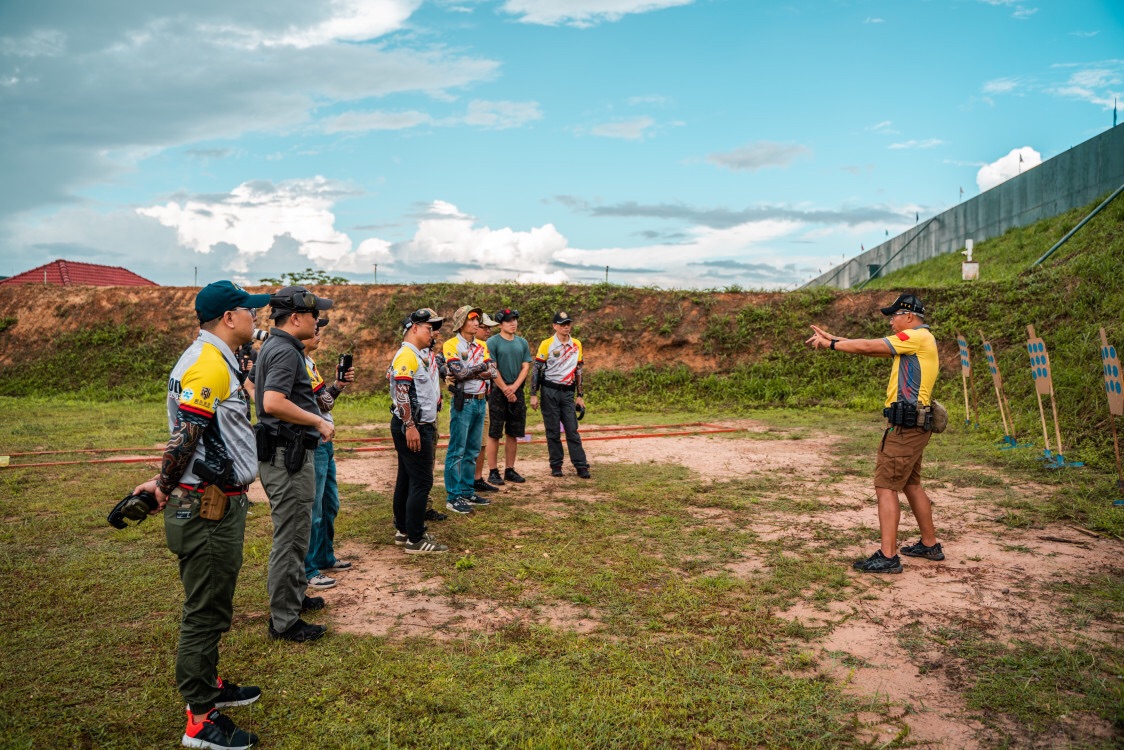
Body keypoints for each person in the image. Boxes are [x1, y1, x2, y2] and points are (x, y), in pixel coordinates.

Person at [132, 280, 270, 750]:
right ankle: (199, 719)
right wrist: (163, 484)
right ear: (229, 318)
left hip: (214, 499)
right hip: (206, 505)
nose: (256, 317)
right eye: (248, 310)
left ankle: (208, 689)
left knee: (213, 603)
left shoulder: (210, 358)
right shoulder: (209, 364)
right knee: (205, 612)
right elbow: (186, 434)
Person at [806, 293, 943, 574]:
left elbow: (870, 347)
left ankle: (888, 556)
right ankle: (929, 545)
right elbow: (874, 347)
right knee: (910, 484)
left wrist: (831, 345)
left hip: (905, 427)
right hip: (914, 425)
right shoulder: (917, 341)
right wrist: (835, 339)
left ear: (909, 316)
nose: (891, 322)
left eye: (894, 316)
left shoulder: (917, 337)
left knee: (885, 487)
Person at [255, 285, 335, 641]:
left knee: (298, 532)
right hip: (288, 457)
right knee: (290, 538)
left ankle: (295, 597)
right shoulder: (286, 352)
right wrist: (318, 421)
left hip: (286, 453)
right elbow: (272, 402)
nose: (318, 322)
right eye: (314, 315)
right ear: (296, 318)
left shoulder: (280, 347)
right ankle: (284, 621)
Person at [388, 309, 449, 553]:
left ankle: (404, 530)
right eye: (428, 327)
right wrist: (411, 426)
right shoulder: (407, 355)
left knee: (406, 479)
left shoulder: (416, 355)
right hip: (413, 426)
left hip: (413, 425)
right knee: (421, 482)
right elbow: (402, 392)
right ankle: (416, 538)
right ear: (414, 328)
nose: (432, 332)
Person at [302, 317, 355, 591]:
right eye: (315, 328)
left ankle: (323, 556)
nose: (318, 332)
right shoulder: (300, 363)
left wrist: (337, 385)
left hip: (325, 439)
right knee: (314, 508)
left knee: (329, 503)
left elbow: (326, 400)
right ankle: (309, 568)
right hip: (315, 441)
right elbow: (324, 401)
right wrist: (333, 389)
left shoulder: (309, 363)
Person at [442, 306, 499, 514]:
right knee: (457, 450)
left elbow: (492, 371)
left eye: (477, 319)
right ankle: (453, 496)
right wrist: (478, 369)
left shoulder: (482, 345)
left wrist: (471, 372)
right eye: (472, 319)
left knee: (473, 450)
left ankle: (467, 490)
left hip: (480, 401)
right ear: (461, 322)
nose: (477, 323)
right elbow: (459, 373)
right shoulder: (451, 344)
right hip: (463, 402)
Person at [530, 311, 590, 478]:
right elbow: (536, 370)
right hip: (549, 391)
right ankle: (556, 465)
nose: (566, 327)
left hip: (568, 392)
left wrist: (580, 395)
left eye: (568, 323)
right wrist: (533, 394)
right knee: (553, 430)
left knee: (572, 429)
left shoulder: (577, 344)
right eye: (562, 324)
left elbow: (579, 370)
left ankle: (581, 465)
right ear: (554, 326)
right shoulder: (546, 344)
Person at [482, 308, 532, 486]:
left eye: (515, 320)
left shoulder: (522, 342)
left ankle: (510, 469)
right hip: (497, 391)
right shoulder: (492, 342)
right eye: (509, 320)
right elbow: (492, 368)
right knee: (494, 432)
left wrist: (514, 388)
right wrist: (505, 389)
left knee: (513, 432)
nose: (513, 323)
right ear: (500, 324)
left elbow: (525, 367)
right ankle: (493, 471)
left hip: (516, 389)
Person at [473, 312, 502, 493]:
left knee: (482, 442)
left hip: (483, 398)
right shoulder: (459, 346)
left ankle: (476, 479)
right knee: (467, 445)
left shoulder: (483, 347)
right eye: (485, 327)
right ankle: (464, 483)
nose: (488, 331)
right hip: (467, 400)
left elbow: (492, 370)